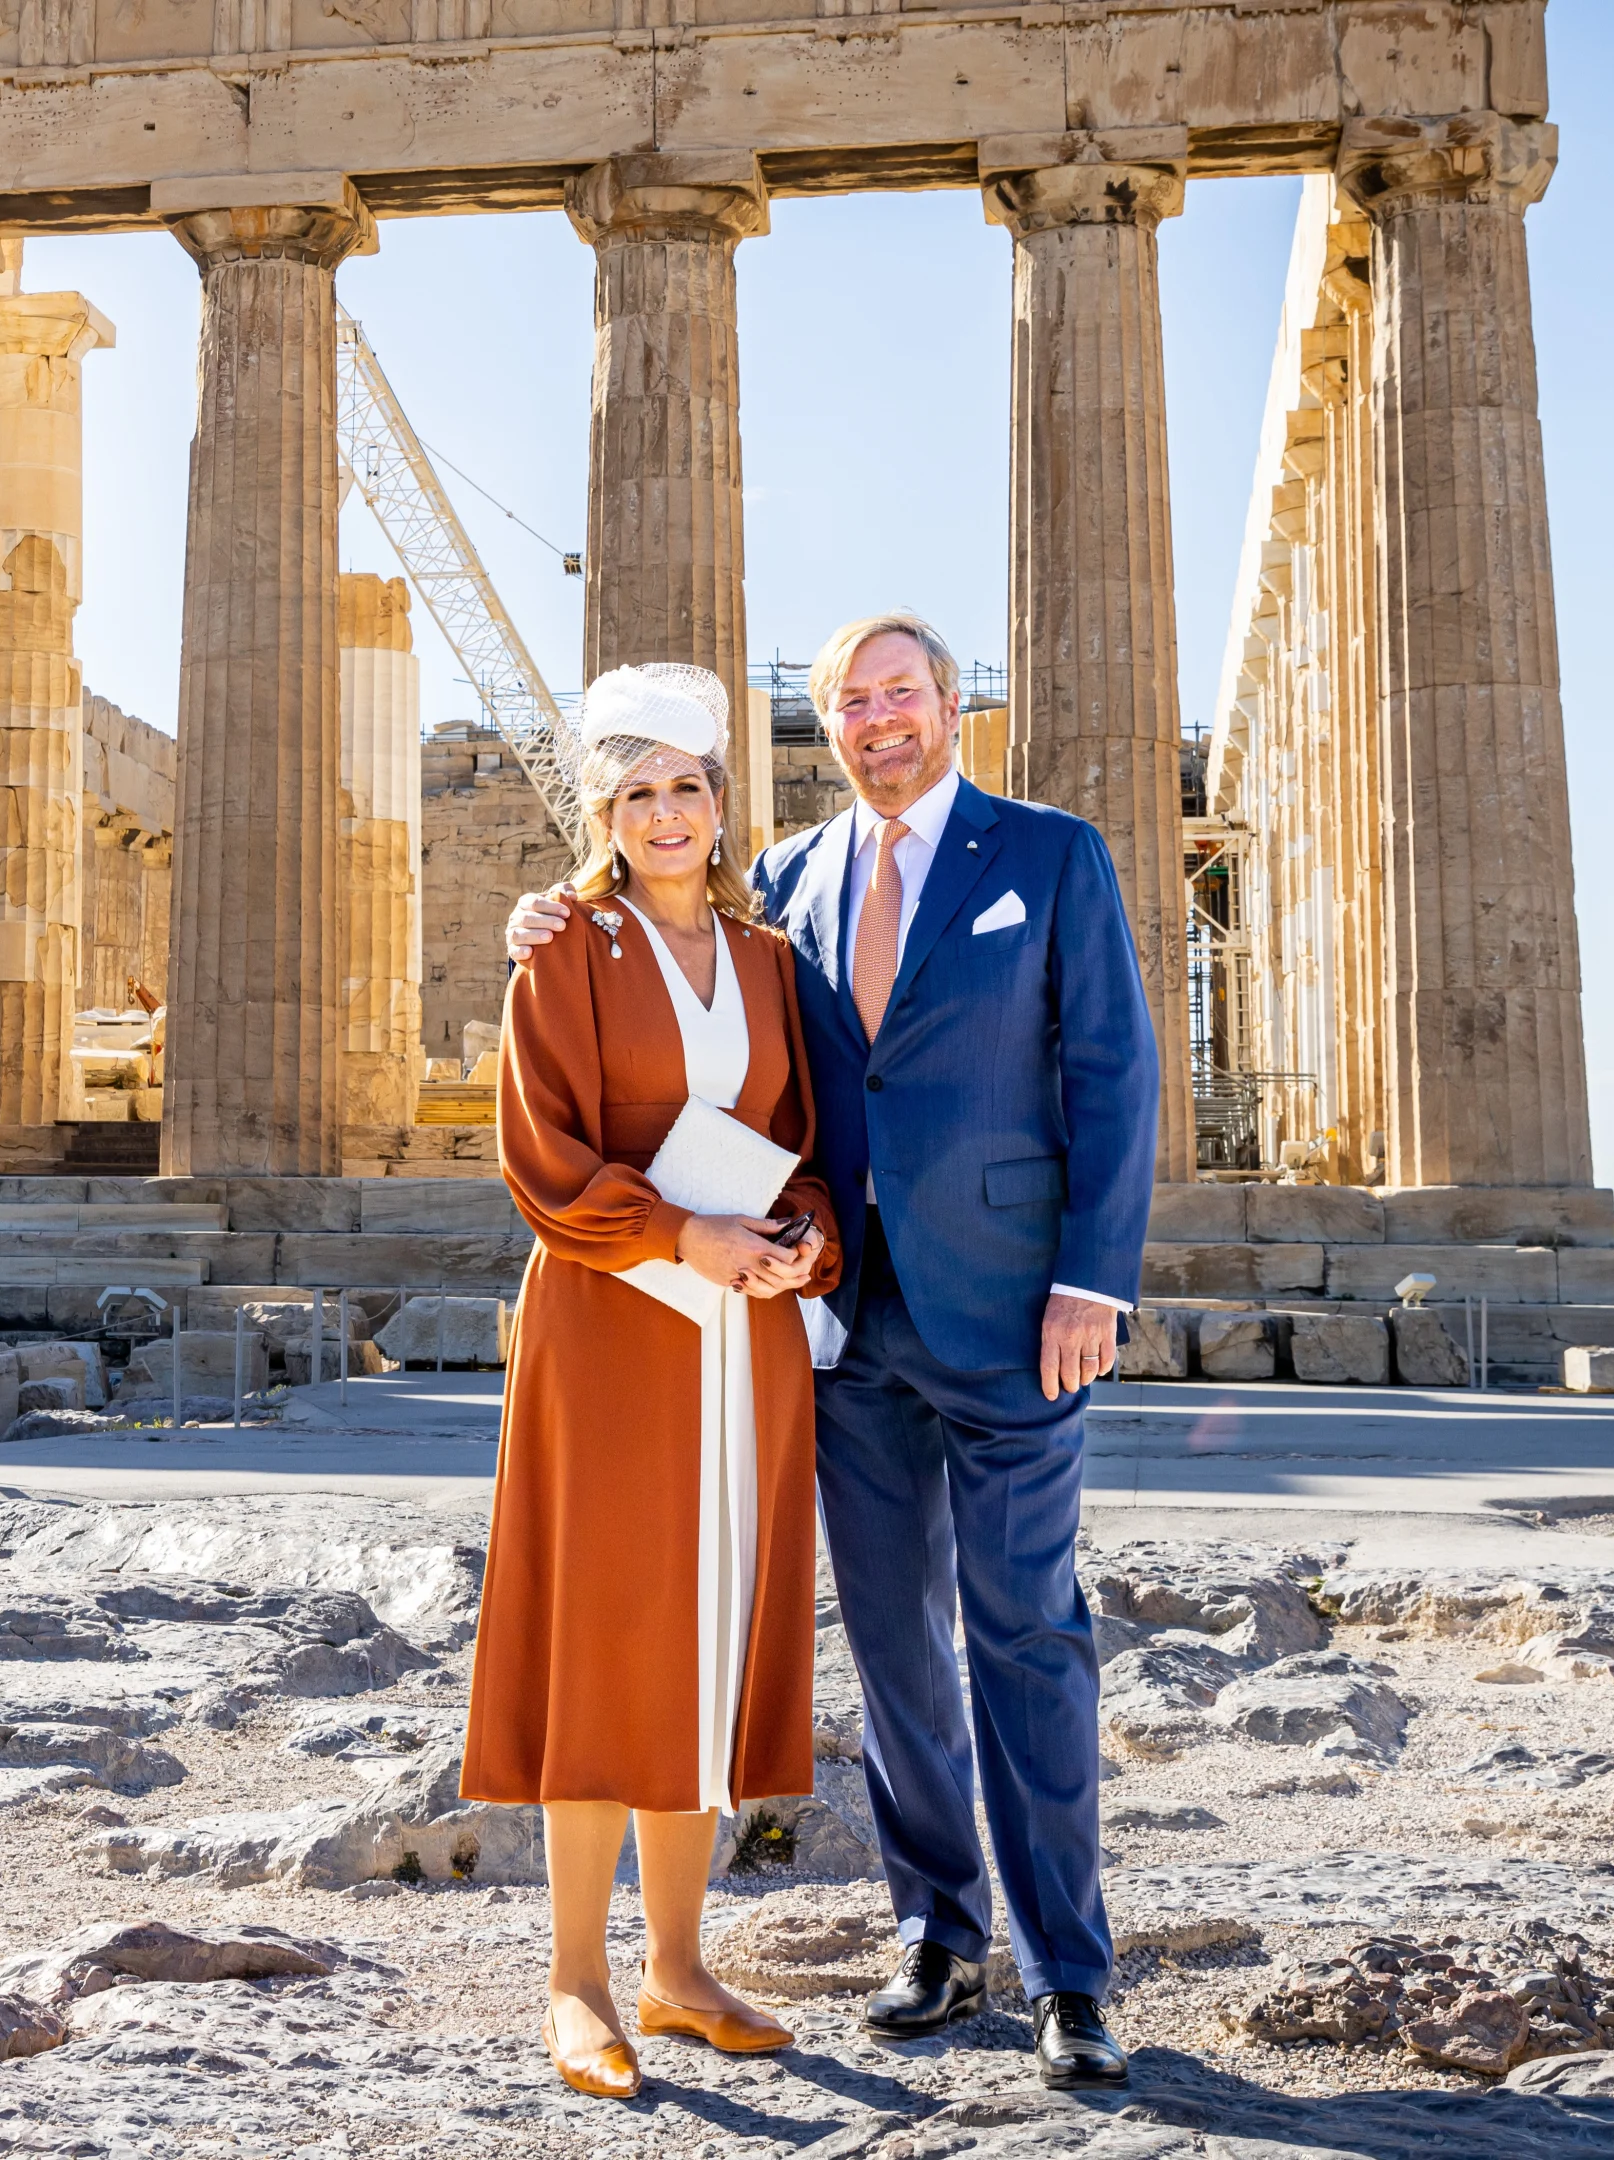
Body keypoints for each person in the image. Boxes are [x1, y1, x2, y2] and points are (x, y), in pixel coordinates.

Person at [507, 612, 1157, 2091]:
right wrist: (546, 915)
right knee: (892, 1647)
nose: (879, 719)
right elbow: (750, 1068)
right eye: (852, 701)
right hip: (838, 1329)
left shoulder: (1050, 855)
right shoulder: (791, 881)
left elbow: (1114, 1072)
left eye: (900, 692)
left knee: (1028, 1632)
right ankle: (938, 1934)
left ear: (949, 703)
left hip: (1011, 1316)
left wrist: (1091, 1282)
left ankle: (1068, 1972)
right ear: (827, 728)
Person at [468, 662, 842, 2101]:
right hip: (612, 1321)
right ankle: (574, 1980)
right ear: (604, 812)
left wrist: (801, 1244)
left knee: (711, 1630)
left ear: (721, 803)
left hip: (743, 1331)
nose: (666, 812)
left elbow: (802, 1146)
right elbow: (542, 1158)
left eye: (687, 787)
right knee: (607, 1629)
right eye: (638, 792)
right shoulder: (565, 947)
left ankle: (678, 1970)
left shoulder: (767, 960)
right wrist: (684, 1235)